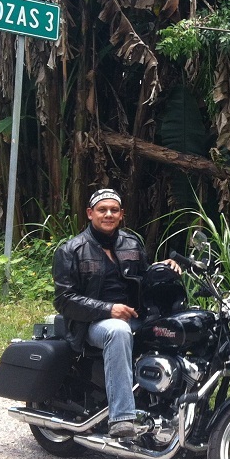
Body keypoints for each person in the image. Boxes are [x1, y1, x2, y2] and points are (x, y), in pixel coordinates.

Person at [52, 188, 180, 440]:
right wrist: (109, 309)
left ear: (121, 215)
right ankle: (121, 418)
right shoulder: (71, 250)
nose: (108, 214)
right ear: (90, 213)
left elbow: (145, 278)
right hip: (91, 324)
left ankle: (172, 409)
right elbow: (64, 300)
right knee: (118, 330)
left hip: (135, 318)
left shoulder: (131, 244)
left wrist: (163, 267)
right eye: (102, 210)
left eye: (114, 210)